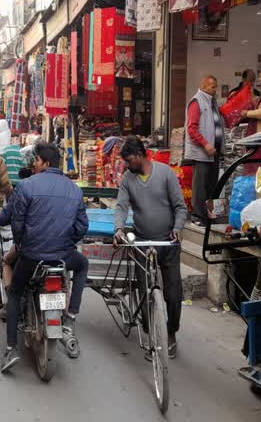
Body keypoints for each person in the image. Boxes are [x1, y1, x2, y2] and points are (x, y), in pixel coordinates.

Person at [0, 143, 89, 372]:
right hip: (63, 255)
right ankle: (70, 316)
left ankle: (11, 348)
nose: (34, 164)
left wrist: (21, 244)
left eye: (36, 161)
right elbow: (82, 226)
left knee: (15, 292)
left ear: (45, 163)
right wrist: (67, 244)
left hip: (32, 254)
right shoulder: (74, 189)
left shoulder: (26, 186)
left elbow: (17, 222)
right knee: (82, 265)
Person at [113, 139, 187, 359]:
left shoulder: (165, 174)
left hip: (168, 243)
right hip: (142, 243)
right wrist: (118, 228)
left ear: (139, 155)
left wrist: (177, 228)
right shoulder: (128, 179)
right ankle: (153, 337)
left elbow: (180, 207)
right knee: (144, 291)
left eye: (128, 160)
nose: (126, 165)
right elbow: (121, 206)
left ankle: (171, 332)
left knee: (173, 294)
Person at [185, 75, 223, 226]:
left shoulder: (213, 102)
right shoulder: (197, 102)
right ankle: (198, 217)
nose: (216, 89)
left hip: (214, 152)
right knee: (200, 186)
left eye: (216, 86)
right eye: (213, 87)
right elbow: (192, 129)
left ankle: (212, 217)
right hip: (202, 153)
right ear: (204, 86)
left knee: (213, 184)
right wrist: (206, 145)